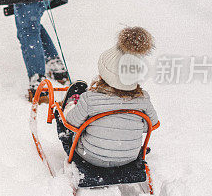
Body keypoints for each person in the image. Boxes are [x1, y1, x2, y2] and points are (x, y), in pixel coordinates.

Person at [61, 26, 159, 168]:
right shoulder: (143, 100)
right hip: (129, 157)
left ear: (103, 74)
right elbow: (152, 124)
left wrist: (71, 107)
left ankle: (72, 102)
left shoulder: (90, 99)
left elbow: (71, 123)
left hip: (91, 156)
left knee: (66, 121)